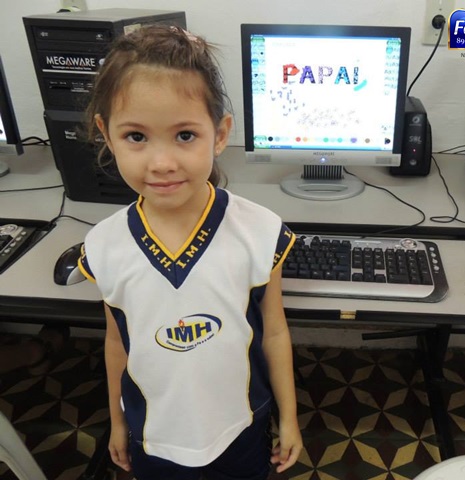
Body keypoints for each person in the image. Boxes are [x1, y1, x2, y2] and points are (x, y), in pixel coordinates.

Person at [77, 25, 302, 480]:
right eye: (135, 136)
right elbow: (117, 342)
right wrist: (118, 421)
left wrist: (290, 418)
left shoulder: (259, 231)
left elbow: (275, 332)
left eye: (184, 135)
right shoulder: (104, 244)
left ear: (219, 134)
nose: (162, 163)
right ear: (106, 134)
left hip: (241, 426)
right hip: (153, 433)